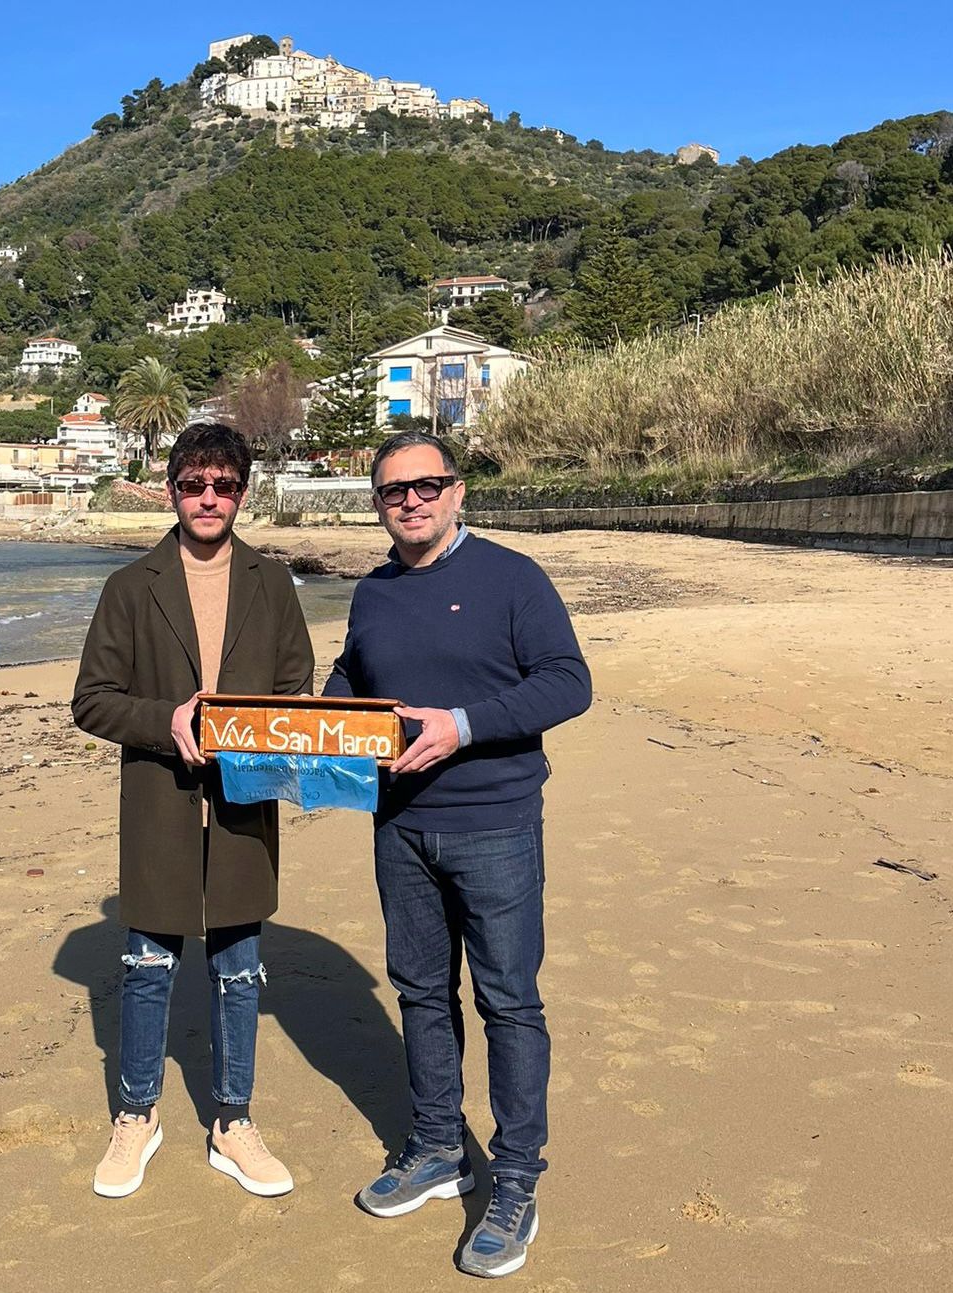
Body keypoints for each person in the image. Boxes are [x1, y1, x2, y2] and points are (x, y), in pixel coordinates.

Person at [323, 430, 591, 1278]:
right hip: (397, 823)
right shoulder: (372, 591)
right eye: (393, 491)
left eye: (426, 485)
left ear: (457, 491)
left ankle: (515, 1180)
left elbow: (566, 680)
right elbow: (349, 682)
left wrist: (460, 725)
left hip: (495, 822)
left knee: (508, 1001)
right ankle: (439, 1145)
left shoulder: (512, 577)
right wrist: (311, 722)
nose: (411, 500)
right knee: (418, 991)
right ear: (378, 503)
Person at [72, 421, 315, 1200]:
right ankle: (136, 1114)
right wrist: (164, 721)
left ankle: (232, 1120)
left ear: (242, 493)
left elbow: (293, 695)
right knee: (147, 965)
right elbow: (92, 701)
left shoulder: (272, 584)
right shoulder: (130, 586)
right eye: (192, 484)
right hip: (159, 802)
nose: (208, 499)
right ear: (171, 487)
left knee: (240, 968)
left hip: (244, 806)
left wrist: (290, 740)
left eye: (224, 486)